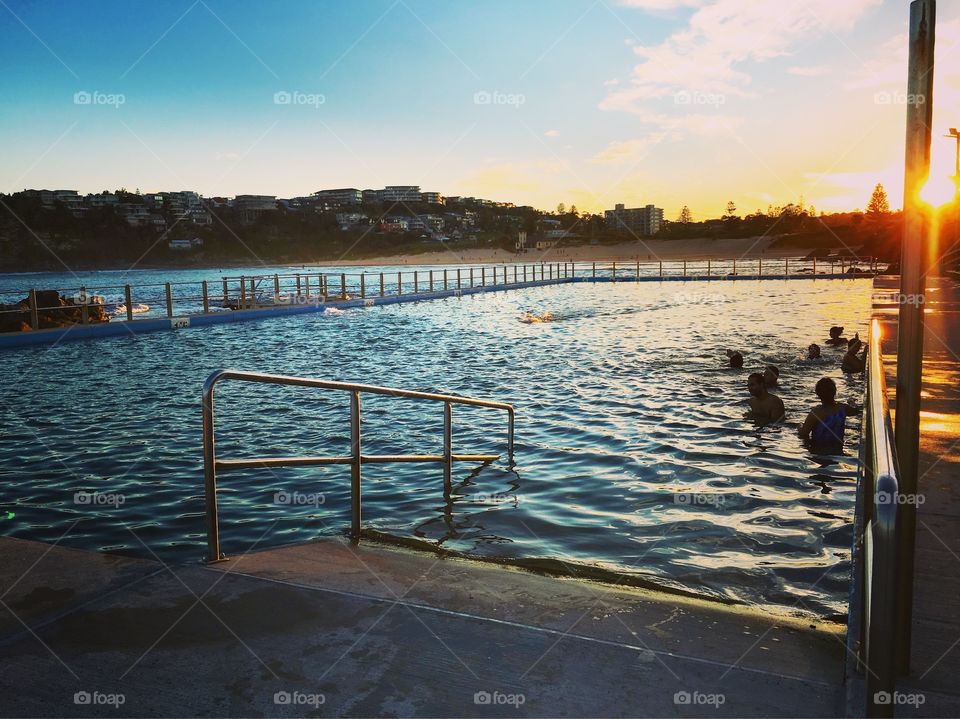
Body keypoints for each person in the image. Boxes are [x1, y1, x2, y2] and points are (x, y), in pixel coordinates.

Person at [799, 377, 858, 446]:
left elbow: (803, 434)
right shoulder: (843, 408)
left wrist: (800, 427)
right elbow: (856, 410)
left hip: (817, 452)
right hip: (838, 450)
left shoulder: (815, 413)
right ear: (835, 392)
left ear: (818, 394)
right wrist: (852, 402)